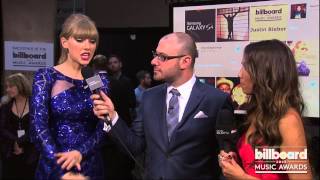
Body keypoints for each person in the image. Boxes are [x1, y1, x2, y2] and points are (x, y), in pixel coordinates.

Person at [92, 32, 234, 179]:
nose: (154, 61)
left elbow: (227, 161)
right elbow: (134, 145)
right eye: (155, 54)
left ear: (185, 61)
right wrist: (112, 116)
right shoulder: (149, 97)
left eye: (162, 57)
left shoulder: (216, 100)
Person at [218, 39, 313, 180]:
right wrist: (236, 160)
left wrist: (241, 177)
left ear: (264, 73)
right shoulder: (259, 113)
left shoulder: (288, 121)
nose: (239, 74)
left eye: (245, 67)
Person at [30, 13, 109, 180]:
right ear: (64, 42)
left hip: (90, 165)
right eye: (80, 40)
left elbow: (106, 125)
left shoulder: (97, 80)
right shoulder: (46, 76)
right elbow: (38, 126)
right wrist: (60, 164)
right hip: (54, 166)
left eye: (92, 41)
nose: (87, 46)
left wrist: (80, 153)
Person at [92, 54, 135, 180]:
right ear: (107, 66)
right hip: (121, 124)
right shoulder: (120, 82)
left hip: (100, 126)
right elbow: (132, 103)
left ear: (93, 65)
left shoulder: (93, 81)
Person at [0, 73, 38, 179]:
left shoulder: (35, 105)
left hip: (31, 153)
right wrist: (15, 142)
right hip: (10, 153)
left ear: (20, 85)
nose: (8, 89)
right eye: (6, 87)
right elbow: (2, 129)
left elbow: (38, 128)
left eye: (11, 86)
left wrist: (20, 141)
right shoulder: (6, 107)